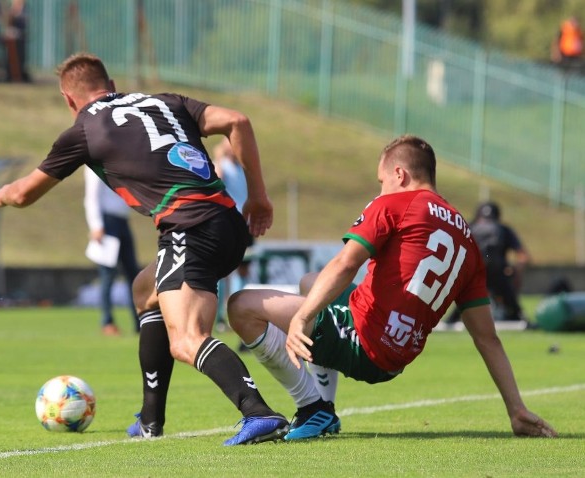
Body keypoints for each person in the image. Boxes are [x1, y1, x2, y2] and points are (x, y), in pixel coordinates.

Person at [0, 53, 287, 445]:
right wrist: (259, 198)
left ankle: (258, 412)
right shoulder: (167, 101)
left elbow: (25, 193)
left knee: (186, 338)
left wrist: (3, 196)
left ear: (68, 99)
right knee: (143, 291)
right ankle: (150, 419)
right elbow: (238, 121)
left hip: (189, 227)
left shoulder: (83, 129)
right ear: (111, 85)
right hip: (228, 222)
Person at [226, 135, 557, 441]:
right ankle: (323, 408)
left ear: (399, 174)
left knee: (241, 306)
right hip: (396, 357)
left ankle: (313, 407)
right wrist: (516, 409)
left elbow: (345, 264)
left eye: (382, 181)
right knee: (311, 282)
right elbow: (487, 336)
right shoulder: (467, 240)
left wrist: (301, 318)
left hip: (363, 338)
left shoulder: (396, 205)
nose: (381, 189)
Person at [446, 201, 531, 325]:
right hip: (499, 275)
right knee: (513, 308)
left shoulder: (469, 227)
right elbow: (523, 256)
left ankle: (452, 319)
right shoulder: (503, 229)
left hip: (474, 273)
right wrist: (514, 270)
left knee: (463, 302)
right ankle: (516, 314)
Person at [83, 167, 141, 336]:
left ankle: (139, 321)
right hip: (107, 222)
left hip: (122, 220)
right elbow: (91, 197)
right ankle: (107, 321)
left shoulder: (113, 160)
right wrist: (96, 225)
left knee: (133, 273)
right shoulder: (93, 165)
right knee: (108, 274)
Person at [212, 137, 250, 331]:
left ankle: (237, 313)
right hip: (228, 222)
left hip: (245, 223)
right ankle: (219, 317)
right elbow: (217, 184)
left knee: (243, 270)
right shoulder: (221, 166)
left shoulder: (243, 170)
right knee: (222, 272)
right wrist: (218, 160)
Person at [3, 0, 32, 83]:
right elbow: (7, 21)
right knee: (11, 57)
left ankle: (19, 74)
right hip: (12, 37)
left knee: (20, 56)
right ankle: (10, 74)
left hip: (20, 36)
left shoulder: (24, 10)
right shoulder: (11, 9)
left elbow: (25, 20)